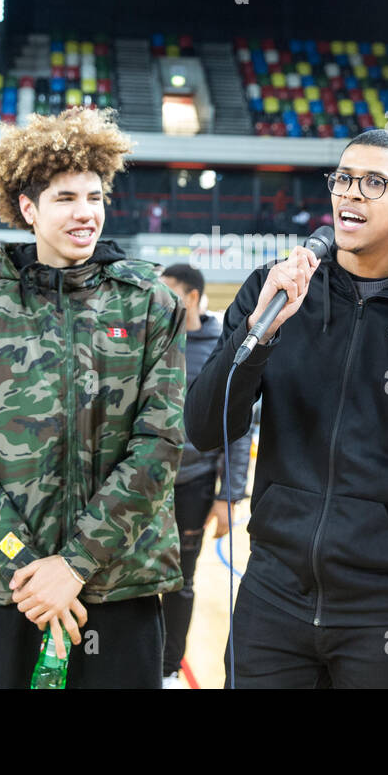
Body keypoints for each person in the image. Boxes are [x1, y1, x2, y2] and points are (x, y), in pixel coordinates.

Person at [186, 128, 388, 689]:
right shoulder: (275, 292)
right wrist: (259, 333)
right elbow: (205, 426)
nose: (351, 194)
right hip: (273, 596)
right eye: (343, 179)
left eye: (373, 183)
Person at [0, 107, 186, 689]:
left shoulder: (148, 304)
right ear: (28, 209)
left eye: (94, 197)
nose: (85, 213)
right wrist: (29, 568)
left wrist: (74, 565)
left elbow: (160, 444)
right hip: (4, 590)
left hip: (118, 583)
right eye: (65, 198)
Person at [158, 262, 252, 688]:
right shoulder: (153, 340)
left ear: (192, 297)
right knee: (138, 579)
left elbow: (236, 426)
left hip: (193, 484)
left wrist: (229, 495)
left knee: (181, 581)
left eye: (170, 293)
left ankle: (169, 668)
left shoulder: (221, 346)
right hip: (144, 486)